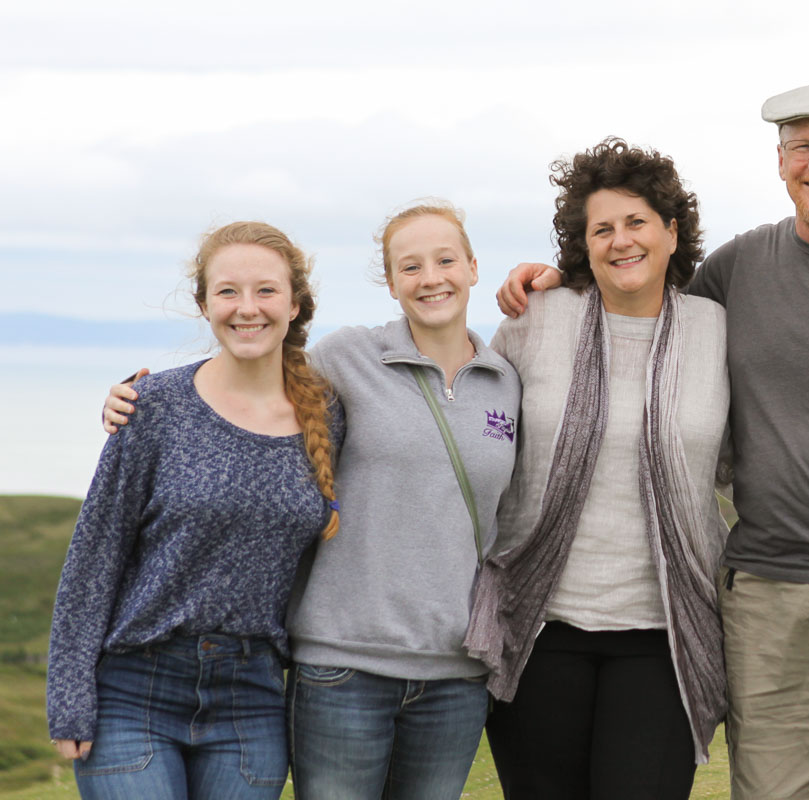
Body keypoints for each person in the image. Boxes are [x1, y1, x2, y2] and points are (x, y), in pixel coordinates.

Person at [497, 83, 809, 800]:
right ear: (780, 160)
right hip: (766, 595)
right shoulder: (738, 271)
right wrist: (559, 276)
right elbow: (641, 299)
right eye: (803, 147)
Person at [102, 202, 522, 800]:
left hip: (456, 672)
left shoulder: (506, 379)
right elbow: (248, 381)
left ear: (474, 268)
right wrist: (135, 402)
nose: (432, 278)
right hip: (341, 666)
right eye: (411, 266)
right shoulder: (346, 358)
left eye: (446, 260)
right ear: (391, 280)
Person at [464, 137, 730, 799]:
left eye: (637, 222)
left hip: (664, 631)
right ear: (583, 246)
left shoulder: (717, 329)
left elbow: (768, 438)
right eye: (601, 229)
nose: (621, 241)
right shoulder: (536, 319)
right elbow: (473, 432)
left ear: (672, 232)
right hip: (540, 624)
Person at [48, 221, 343, 800]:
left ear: (296, 303)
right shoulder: (153, 405)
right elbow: (95, 555)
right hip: (135, 689)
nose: (246, 308)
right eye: (228, 291)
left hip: (252, 698)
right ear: (203, 304)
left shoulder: (329, 415)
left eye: (266, 291)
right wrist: (70, 699)